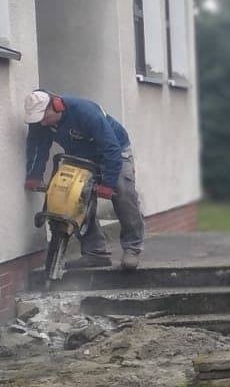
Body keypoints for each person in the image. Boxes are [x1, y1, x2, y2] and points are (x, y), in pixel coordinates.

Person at [22, 89, 145, 271]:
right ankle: (96, 253)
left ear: (56, 105)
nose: (42, 122)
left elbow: (111, 149)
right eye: (37, 119)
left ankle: (132, 248)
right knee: (76, 199)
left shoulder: (85, 112)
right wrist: (34, 175)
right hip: (81, 155)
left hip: (115, 150)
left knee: (123, 192)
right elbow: (38, 148)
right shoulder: (40, 123)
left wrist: (108, 184)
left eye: (44, 117)